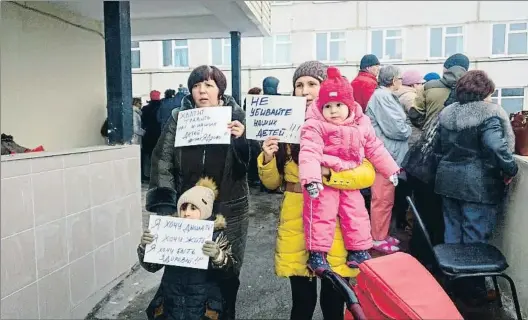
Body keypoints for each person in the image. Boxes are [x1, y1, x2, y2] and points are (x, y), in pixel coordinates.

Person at [258, 61, 376, 320]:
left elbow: (367, 173)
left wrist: (329, 175)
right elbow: (272, 184)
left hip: (335, 222)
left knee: (334, 302)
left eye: (312, 83)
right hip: (296, 222)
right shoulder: (283, 126)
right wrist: (267, 159)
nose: (304, 90)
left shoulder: (347, 125)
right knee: (301, 302)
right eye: (299, 85)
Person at [146, 65, 250, 320]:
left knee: (225, 271)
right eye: (196, 85)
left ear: (220, 90)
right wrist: (166, 207)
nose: (202, 91)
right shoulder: (178, 118)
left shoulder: (237, 116)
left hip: (229, 208)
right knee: (187, 274)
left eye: (208, 85)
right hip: (189, 207)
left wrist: (240, 139)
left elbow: (249, 165)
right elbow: (163, 159)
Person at [298, 67, 400, 272]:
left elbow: (375, 147)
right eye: (328, 106)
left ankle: (359, 249)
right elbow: (309, 152)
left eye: (338, 105)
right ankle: (317, 252)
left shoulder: (361, 124)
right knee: (320, 213)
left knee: (356, 213)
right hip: (324, 178)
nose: (333, 110)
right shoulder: (315, 125)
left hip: (350, 175)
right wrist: (311, 179)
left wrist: (390, 170)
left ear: (350, 105)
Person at [435, 70, 518, 304]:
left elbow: (439, 148)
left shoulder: (447, 114)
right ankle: (474, 293)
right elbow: (495, 146)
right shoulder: (488, 114)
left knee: (452, 233)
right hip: (477, 184)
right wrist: (511, 168)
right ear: (485, 92)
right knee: (475, 239)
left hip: (447, 180)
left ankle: (454, 286)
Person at [138, 177, 236, 320]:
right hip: (171, 303)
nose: (187, 213)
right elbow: (151, 266)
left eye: (193, 208)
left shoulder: (216, 236)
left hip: (203, 307)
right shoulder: (169, 232)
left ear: (205, 210)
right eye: (183, 208)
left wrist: (218, 255)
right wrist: (145, 247)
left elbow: (229, 271)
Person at [406, 53, 469, 264]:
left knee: (423, 211)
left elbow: (416, 115)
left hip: (423, 160)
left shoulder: (429, 86)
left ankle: (420, 258)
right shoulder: (468, 96)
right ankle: (440, 261)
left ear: (445, 67)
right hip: (448, 166)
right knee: (446, 217)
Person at [366, 65, 412, 254]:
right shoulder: (383, 97)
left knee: (385, 198)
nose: (401, 82)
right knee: (382, 199)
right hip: (385, 158)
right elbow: (398, 129)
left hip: (387, 157)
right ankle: (377, 238)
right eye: (400, 78)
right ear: (393, 80)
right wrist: (409, 128)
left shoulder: (382, 96)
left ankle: (381, 234)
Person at [141, 90, 163, 182]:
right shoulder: (162, 107)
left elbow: (143, 122)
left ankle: (147, 175)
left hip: (148, 134)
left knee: (148, 156)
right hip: (159, 134)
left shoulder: (145, 109)